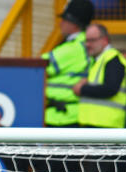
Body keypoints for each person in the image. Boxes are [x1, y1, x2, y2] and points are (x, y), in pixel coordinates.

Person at [41, 0, 91, 128]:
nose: (60, 23)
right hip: (72, 115)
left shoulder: (73, 48)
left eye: (64, 19)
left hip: (61, 117)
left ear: (74, 24)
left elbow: (36, 67)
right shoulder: (85, 43)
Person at [74, 23, 126, 129]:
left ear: (105, 40)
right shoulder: (99, 59)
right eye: (86, 40)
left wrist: (82, 89)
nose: (87, 44)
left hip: (106, 127)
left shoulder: (112, 58)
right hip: (97, 126)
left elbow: (110, 88)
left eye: (92, 40)